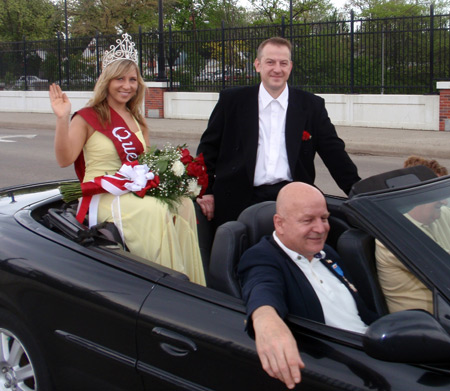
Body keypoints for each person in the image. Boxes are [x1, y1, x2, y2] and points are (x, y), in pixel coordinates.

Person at [49, 33, 205, 286]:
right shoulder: (88, 117)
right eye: (119, 79)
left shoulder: (137, 120)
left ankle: (188, 281)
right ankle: (161, 283)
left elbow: (143, 166)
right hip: (103, 194)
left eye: (132, 79)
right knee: (155, 211)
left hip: (130, 190)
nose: (127, 85)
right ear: (107, 81)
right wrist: (61, 118)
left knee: (183, 203)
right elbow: (64, 159)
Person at [196, 37, 360, 227]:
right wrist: (206, 191)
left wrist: (358, 194)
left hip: (293, 200)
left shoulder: (311, 106)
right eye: (270, 62)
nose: (277, 69)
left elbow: (335, 154)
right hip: (237, 199)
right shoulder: (231, 101)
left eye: (283, 63)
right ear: (257, 65)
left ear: (290, 67)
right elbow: (207, 150)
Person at [237, 182, 377, 389]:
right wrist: (266, 320)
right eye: (307, 220)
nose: (320, 228)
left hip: (373, 347)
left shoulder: (327, 253)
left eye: (324, 218)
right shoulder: (263, 257)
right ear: (280, 223)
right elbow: (261, 287)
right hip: (341, 369)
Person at [376, 156, 449, 313]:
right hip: (427, 327)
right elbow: (444, 267)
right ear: (414, 196)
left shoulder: (440, 214)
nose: (444, 201)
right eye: (436, 193)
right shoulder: (393, 235)